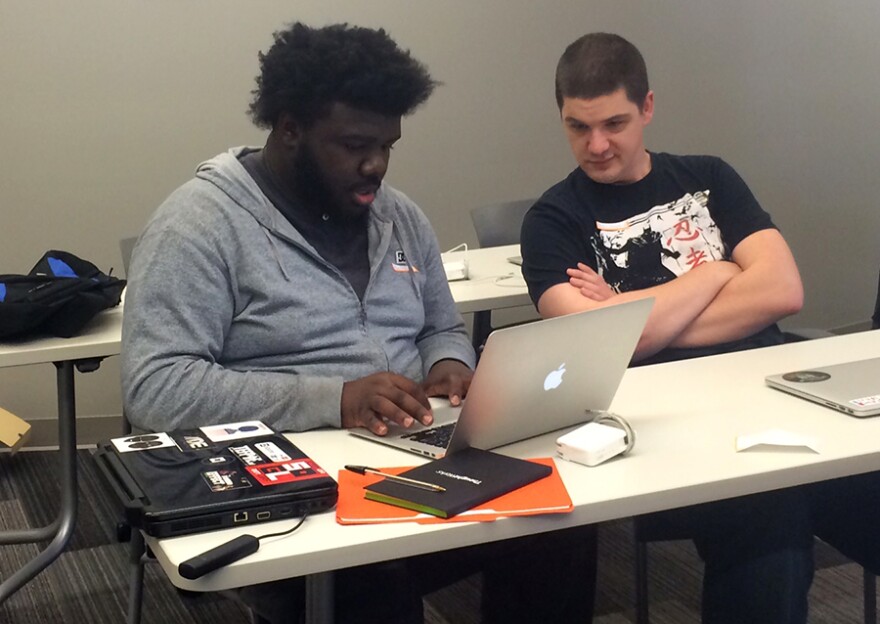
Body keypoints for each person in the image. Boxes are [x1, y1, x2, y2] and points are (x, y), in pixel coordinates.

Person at [122, 22, 595, 624]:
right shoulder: (198, 225)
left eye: (388, 145)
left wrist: (451, 362)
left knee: (562, 524)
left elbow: (439, 327)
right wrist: (336, 398)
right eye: (353, 145)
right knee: (373, 588)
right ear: (289, 130)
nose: (376, 164)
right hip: (292, 490)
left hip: (408, 461)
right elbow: (155, 390)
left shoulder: (398, 217)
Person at [520, 32, 816, 623]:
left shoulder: (709, 178)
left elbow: (783, 289)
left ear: (647, 108)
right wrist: (720, 273)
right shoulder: (552, 219)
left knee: (798, 508)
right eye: (578, 127)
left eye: (615, 123)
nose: (597, 145)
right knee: (769, 521)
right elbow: (592, 342)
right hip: (653, 425)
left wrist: (636, 321)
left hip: (764, 398)